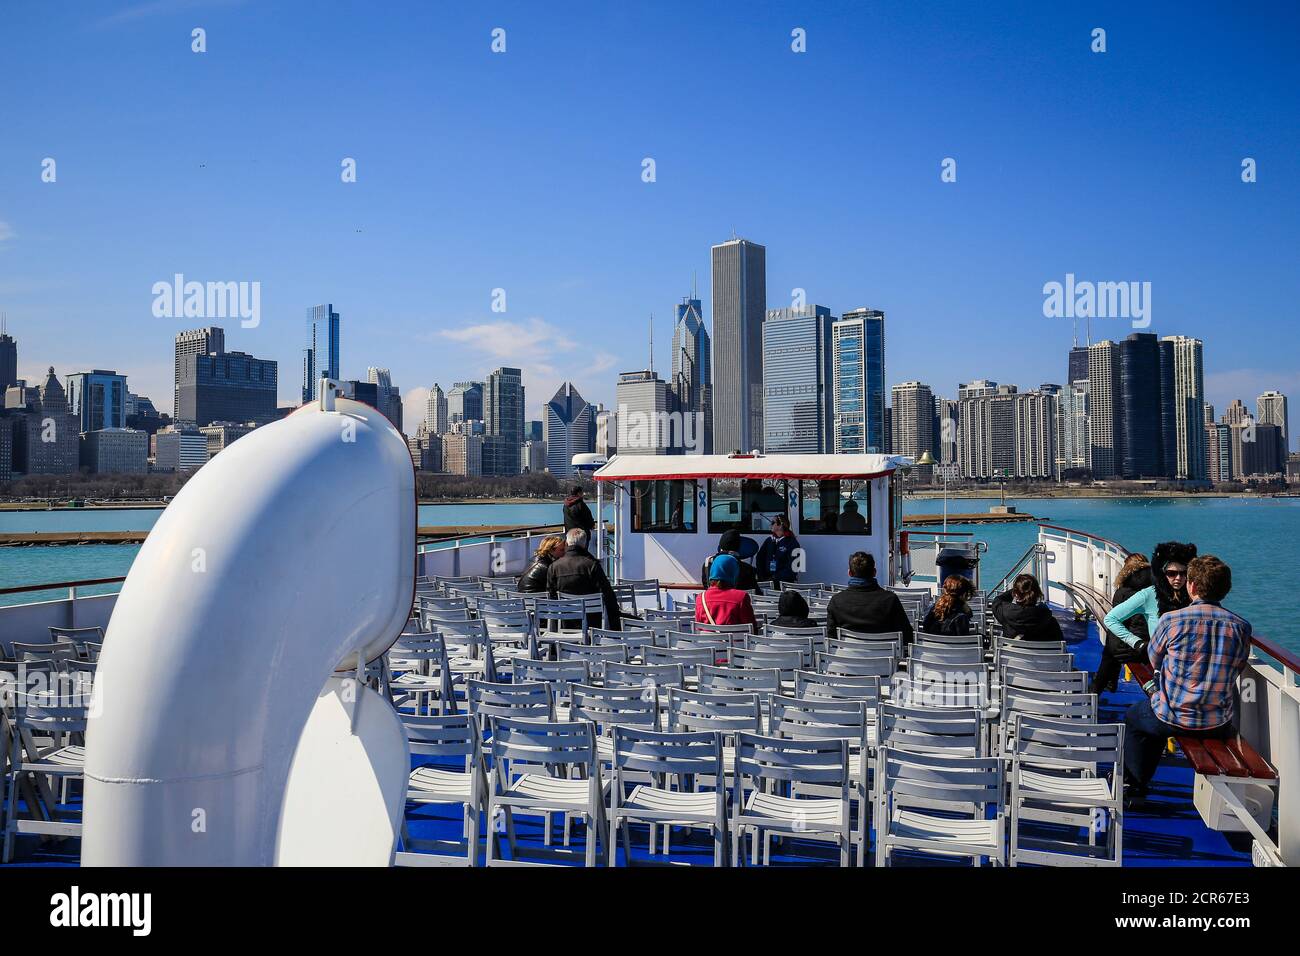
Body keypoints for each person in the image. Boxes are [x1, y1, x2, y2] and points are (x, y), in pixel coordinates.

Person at [1123, 555, 1250, 798]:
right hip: (1216, 722)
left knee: (1136, 718)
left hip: (1172, 716)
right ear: (1226, 589)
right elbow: (1238, 666)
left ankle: (1135, 785)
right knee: (1152, 714)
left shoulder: (1171, 620)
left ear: (1191, 586)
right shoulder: (1241, 627)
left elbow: (1154, 658)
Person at [1100, 542, 1196, 693]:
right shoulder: (1150, 595)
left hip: (1190, 667)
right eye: (1172, 573)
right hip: (1163, 669)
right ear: (1163, 573)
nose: (1178, 578)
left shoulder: (1192, 595)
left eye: (1183, 573)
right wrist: (1137, 644)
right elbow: (1111, 619)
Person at [1089, 553, 1153, 694]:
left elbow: (1119, 625)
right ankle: (1110, 681)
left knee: (1111, 648)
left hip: (1136, 649)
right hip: (1149, 645)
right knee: (1114, 645)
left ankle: (1096, 689)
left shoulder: (1123, 592)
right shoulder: (1152, 591)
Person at [825, 551, 913, 642]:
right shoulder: (890, 600)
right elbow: (907, 635)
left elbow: (831, 638)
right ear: (874, 572)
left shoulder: (836, 601)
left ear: (849, 573)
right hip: (885, 654)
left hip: (847, 654)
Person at [546, 527, 621, 631]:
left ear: (567, 544)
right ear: (585, 544)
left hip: (566, 621)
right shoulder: (592, 565)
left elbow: (551, 595)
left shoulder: (554, 567)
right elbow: (607, 593)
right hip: (593, 622)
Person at [991, 573, 1063, 642]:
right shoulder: (1048, 619)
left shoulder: (1006, 612)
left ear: (1016, 594)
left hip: (1012, 654)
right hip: (1044, 654)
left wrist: (1014, 590)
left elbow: (997, 601)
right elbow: (1060, 646)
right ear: (1037, 594)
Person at [695, 554, 756, 629]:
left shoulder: (700, 598)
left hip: (706, 640)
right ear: (734, 572)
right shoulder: (741, 597)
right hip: (735, 640)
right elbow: (751, 629)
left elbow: (698, 629)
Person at [756, 514, 800, 586]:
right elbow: (759, 558)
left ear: (781, 525)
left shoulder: (792, 543)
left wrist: (776, 577)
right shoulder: (769, 540)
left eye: (773, 523)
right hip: (767, 581)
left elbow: (795, 566)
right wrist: (762, 576)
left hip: (784, 582)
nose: (771, 525)